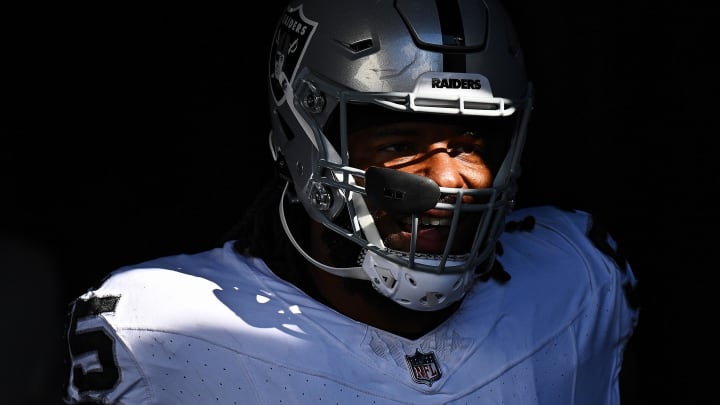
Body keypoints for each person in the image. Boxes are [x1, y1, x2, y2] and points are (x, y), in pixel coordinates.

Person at [63, 0, 640, 403]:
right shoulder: (166, 331)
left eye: (469, 144)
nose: (445, 178)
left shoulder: (576, 277)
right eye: (400, 144)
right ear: (307, 139)